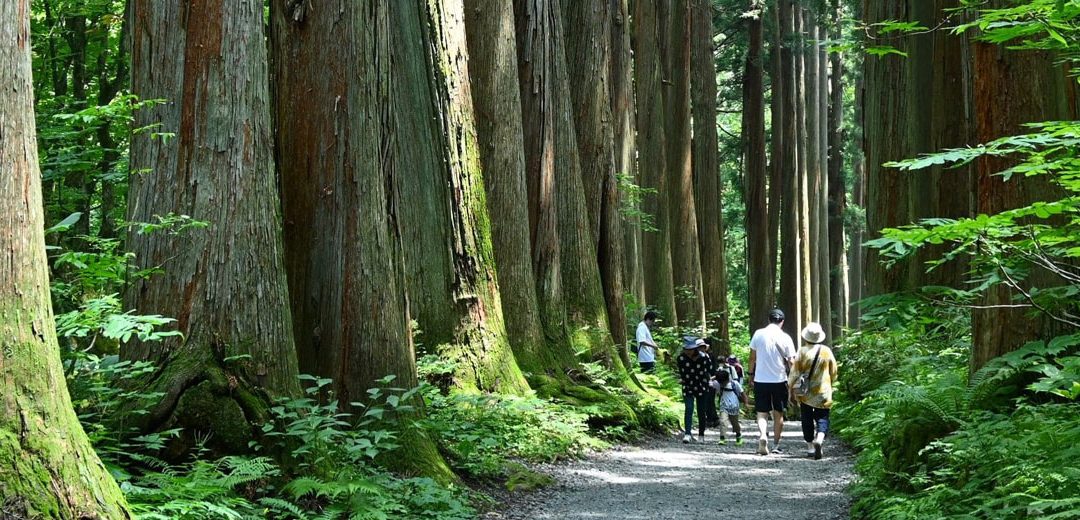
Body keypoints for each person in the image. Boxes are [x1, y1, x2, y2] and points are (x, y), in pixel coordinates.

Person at [748, 308, 796, 455]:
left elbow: (752, 358)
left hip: (760, 379)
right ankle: (775, 445)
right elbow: (791, 362)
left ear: (769, 320)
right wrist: (793, 382)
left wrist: (750, 375)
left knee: (762, 412)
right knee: (778, 413)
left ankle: (763, 435)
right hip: (779, 380)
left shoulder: (758, 334)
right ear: (782, 322)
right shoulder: (785, 337)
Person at [788, 322, 838, 460]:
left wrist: (790, 388)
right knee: (823, 417)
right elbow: (834, 370)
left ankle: (810, 446)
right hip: (824, 390)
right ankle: (820, 438)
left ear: (806, 337)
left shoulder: (802, 351)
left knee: (807, 418)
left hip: (806, 392)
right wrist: (831, 381)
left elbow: (795, 372)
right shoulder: (826, 351)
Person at [677, 337, 712, 443]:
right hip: (688, 386)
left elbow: (709, 370)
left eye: (690, 349)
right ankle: (687, 433)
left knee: (701, 410)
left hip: (702, 386)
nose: (688, 352)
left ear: (695, 348)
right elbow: (682, 372)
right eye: (686, 349)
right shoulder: (681, 358)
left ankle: (701, 435)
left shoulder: (704, 357)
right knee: (689, 408)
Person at [710, 369, 747, 445]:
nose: (722, 384)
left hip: (734, 406)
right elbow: (708, 382)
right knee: (723, 421)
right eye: (721, 382)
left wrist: (746, 403)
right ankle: (722, 438)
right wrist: (715, 377)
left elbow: (743, 394)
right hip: (724, 406)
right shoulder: (718, 383)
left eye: (723, 382)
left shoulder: (734, 384)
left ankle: (738, 436)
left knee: (735, 423)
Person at [701, 339, 720, 427]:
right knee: (708, 401)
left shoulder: (710, 356)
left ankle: (712, 419)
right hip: (705, 381)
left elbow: (714, 371)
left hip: (711, 381)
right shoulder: (703, 355)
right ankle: (711, 419)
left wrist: (710, 379)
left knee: (709, 400)